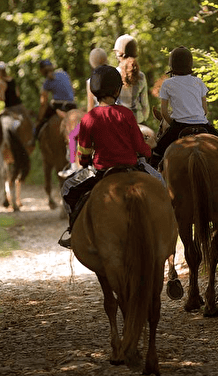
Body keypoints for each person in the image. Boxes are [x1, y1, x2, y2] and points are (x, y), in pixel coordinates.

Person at [58, 65, 155, 249]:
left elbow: (84, 151)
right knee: (160, 183)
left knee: (67, 189)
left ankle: (74, 231)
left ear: (94, 92)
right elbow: (139, 146)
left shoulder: (89, 118)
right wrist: (149, 152)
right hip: (131, 167)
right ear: (117, 90)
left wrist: (85, 162)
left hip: (102, 171)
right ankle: (167, 222)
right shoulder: (126, 114)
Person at [150, 46, 218, 169]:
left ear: (172, 65)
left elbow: (164, 112)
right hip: (202, 124)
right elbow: (205, 110)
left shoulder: (167, 84)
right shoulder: (198, 82)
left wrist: (173, 124)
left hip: (179, 125)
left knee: (156, 153)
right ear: (190, 64)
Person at [58, 48, 108, 179]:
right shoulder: (115, 76)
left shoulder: (91, 81)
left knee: (73, 134)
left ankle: (73, 167)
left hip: (98, 118)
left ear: (92, 63)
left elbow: (90, 109)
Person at [0, 61, 33, 156]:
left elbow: (2, 98)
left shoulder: (1, 83)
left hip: (10, 109)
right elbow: (17, 94)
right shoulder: (12, 80)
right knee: (31, 121)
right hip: (21, 108)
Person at [30, 59, 76, 146]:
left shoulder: (46, 82)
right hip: (72, 105)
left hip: (58, 106)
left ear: (42, 70)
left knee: (40, 123)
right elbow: (73, 91)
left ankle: (34, 139)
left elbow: (43, 103)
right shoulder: (64, 73)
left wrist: (39, 118)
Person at [113, 34, 149, 125]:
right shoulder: (141, 76)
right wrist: (143, 119)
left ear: (119, 54)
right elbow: (145, 105)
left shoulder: (114, 74)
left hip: (119, 121)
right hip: (138, 121)